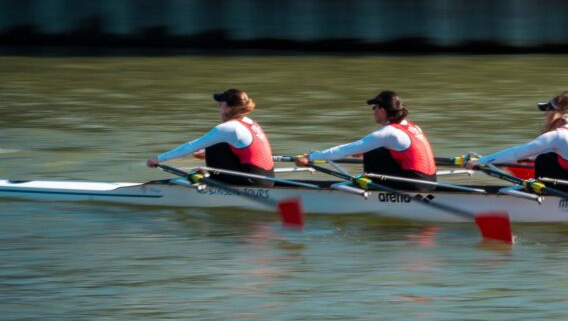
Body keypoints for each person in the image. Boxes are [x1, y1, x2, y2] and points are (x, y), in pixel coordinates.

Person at [296, 90, 437, 192]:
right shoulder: (412, 126)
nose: (373, 110)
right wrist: (367, 151)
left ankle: (371, 187)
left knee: (369, 151)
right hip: (430, 181)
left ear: (382, 110)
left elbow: (344, 150)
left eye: (374, 107)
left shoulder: (388, 133)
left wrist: (310, 157)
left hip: (415, 185)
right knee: (371, 151)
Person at [467, 90, 568, 189]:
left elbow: (516, 153)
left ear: (555, 113)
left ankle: (539, 196)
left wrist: (479, 162)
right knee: (547, 158)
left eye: (547, 110)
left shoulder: (558, 135)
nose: (545, 115)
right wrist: (517, 161)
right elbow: (533, 154)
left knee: (544, 160)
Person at [146, 89, 275, 187]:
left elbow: (191, 147)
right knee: (215, 145)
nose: (218, 108)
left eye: (221, 104)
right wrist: (209, 154)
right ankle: (213, 172)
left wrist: (158, 159)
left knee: (212, 144)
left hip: (251, 182)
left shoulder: (228, 128)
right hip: (269, 179)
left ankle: (212, 182)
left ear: (230, 108)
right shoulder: (250, 122)